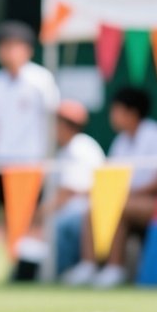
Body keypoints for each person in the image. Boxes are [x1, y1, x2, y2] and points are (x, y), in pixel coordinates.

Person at [81, 87, 157, 288]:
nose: (112, 116)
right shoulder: (120, 141)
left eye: (116, 110)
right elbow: (110, 177)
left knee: (118, 205)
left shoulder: (156, 135)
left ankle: (115, 268)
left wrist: (125, 194)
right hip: (130, 200)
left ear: (132, 112)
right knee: (93, 209)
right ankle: (89, 265)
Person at [0, 21, 60, 205]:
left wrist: (50, 159)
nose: (8, 52)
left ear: (28, 49)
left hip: (32, 159)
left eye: (13, 46)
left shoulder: (41, 79)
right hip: (2, 159)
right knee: (5, 209)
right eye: (3, 46)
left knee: (32, 210)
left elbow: (53, 120)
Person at [49, 100, 106, 281]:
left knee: (59, 224)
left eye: (57, 123)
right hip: (76, 207)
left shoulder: (80, 147)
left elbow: (70, 192)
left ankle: (65, 270)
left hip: (89, 206)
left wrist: (40, 214)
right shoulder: (63, 151)